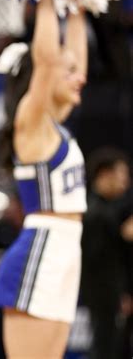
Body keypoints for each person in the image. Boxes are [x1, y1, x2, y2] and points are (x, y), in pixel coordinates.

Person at [0, 0, 88, 359]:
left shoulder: (56, 126)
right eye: (68, 73)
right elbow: (49, 62)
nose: (78, 77)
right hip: (41, 251)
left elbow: (68, 62)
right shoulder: (31, 124)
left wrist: (80, 3)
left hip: (67, 250)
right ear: (43, 79)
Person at [81, 147, 132, 359]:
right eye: (121, 174)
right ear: (104, 174)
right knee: (105, 346)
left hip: (114, 293)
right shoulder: (92, 212)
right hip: (104, 294)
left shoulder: (115, 209)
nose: (125, 181)